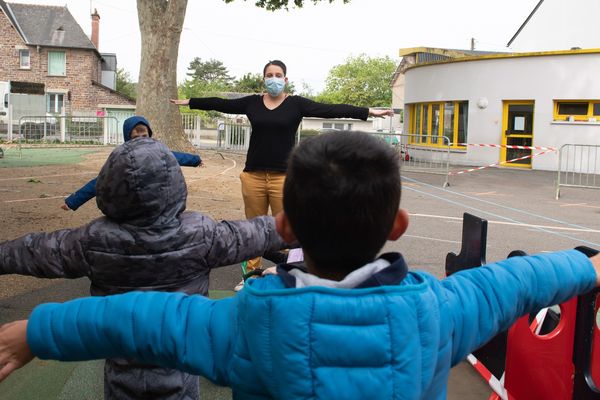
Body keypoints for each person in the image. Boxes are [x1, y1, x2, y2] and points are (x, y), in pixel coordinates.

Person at [1, 132, 600, 400]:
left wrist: (36, 331)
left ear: (284, 228)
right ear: (398, 227)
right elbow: (522, 279)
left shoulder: (243, 327)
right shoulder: (445, 311)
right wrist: (587, 264)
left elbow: (137, 319)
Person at [0, 137, 287, 399]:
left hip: (122, 363)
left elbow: (33, 251)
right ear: (175, 185)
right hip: (181, 359)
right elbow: (259, 232)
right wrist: (307, 221)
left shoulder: (90, 241)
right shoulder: (203, 235)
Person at [171, 59, 394, 290]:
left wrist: (368, 112)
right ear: (264, 78)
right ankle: (250, 275)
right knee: (252, 230)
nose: (274, 79)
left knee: (289, 229)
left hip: (284, 178)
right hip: (254, 176)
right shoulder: (252, 103)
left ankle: (290, 273)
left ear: (285, 80)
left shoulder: (296, 104)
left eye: (278, 75)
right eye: (270, 75)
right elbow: (221, 103)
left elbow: (331, 109)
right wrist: (191, 101)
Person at [61, 115, 202, 211]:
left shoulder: (157, 150)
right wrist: (74, 201)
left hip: (155, 200)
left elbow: (175, 156)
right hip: (131, 201)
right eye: (135, 137)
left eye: (144, 136)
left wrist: (195, 160)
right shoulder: (122, 157)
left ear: (149, 135)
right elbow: (101, 181)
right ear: (128, 138)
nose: (141, 139)